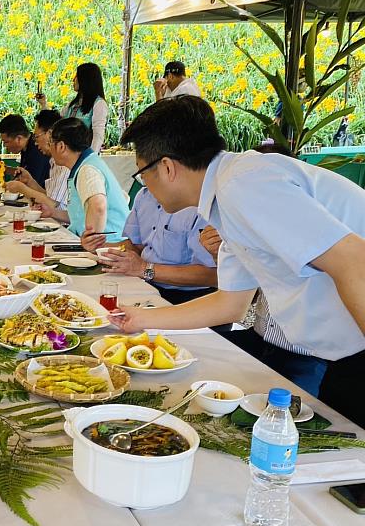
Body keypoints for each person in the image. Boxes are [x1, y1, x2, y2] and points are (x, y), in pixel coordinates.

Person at [109, 96, 365, 425]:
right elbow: (231, 304)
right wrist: (141, 319)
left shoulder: (243, 185)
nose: (143, 183)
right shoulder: (228, 192)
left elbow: (354, 260)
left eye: (142, 171)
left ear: (167, 167)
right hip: (346, 352)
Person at [200, 225, 327, 396]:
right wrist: (219, 254)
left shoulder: (334, 233)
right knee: (193, 359)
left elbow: (233, 309)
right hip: (258, 338)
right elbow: (246, 295)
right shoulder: (262, 225)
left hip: (310, 360)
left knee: (293, 413)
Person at [81, 187, 217, 306]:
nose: (142, 179)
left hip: (193, 298)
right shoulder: (144, 196)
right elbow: (136, 247)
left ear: (167, 167)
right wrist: (100, 247)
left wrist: (145, 269)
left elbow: (212, 275)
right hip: (146, 287)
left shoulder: (201, 202)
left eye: (144, 172)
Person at [39, 118, 129, 242]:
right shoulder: (86, 163)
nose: (49, 149)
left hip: (110, 245)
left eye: (50, 143)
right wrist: (52, 213)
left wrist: (92, 244)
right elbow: (80, 216)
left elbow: (98, 206)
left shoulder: (87, 170)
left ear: (61, 146)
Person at [36, 62, 108, 153]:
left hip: (83, 155)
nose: (73, 80)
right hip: (68, 155)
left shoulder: (99, 104)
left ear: (85, 79)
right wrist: (43, 104)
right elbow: (56, 122)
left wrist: (90, 156)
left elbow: (98, 135)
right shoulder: (73, 104)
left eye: (76, 76)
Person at [5, 110, 69, 211]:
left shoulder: (65, 163)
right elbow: (50, 197)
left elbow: (54, 205)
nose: (35, 143)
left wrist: (22, 188)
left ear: (49, 134)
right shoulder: (53, 161)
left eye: (36, 137)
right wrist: (30, 181)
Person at [0, 114, 50, 188]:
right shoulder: (26, 148)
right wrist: (4, 169)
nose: (4, 146)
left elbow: (31, 184)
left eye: (6, 142)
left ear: (18, 138)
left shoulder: (37, 150)